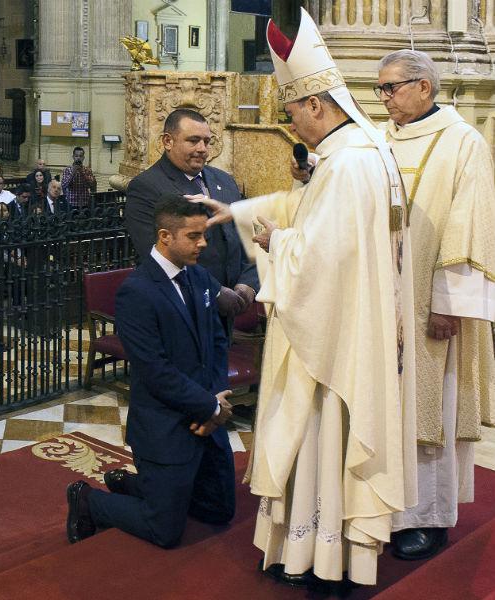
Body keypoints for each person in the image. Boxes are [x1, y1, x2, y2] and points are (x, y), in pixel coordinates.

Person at [200, 11, 416, 585]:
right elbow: (314, 215)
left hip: (332, 344)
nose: (291, 123)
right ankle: (323, 552)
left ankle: (318, 558)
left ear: (316, 104)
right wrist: (242, 212)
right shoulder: (363, 151)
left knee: (319, 436)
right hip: (352, 325)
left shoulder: (347, 164)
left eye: (292, 112)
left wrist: (277, 242)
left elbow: (323, 256)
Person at [371, 50, 495, 561]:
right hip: (382, 301)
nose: (383, 98)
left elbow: (470, 223)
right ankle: (383, 508)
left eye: (390, 88)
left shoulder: (463, 141)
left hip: (432, 308)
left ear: (424, 86)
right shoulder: (379, 140)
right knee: (387, 408)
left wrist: (448, 303)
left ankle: (428, 518)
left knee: (431, 411)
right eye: (380, 89)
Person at [67, 195, 234, 546]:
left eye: (204, 235)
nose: (203, 243)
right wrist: (209, 406)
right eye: (193, 236)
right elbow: (155, 371)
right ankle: (89, 500)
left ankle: (135, 485)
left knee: (219, 510)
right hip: (166, 424)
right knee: (165, 531)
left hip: (205, 414)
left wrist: (215, 403)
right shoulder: (137, 291)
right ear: (165, 236)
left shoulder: (199, 276)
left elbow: (218, 343)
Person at [124, 108, 258, 323]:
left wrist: (248, 283)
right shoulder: (147, 187)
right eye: (193, 141)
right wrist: (216, 291)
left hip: (230, 310)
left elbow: (247, 235)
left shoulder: (224, 181)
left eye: (206, 141)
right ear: (168, 141)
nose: (202, 149)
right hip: (180, 310)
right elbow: (156, 255)